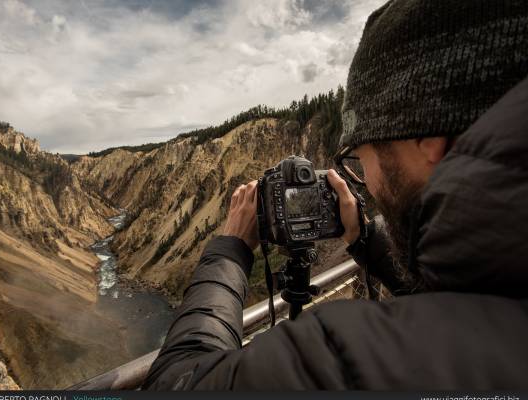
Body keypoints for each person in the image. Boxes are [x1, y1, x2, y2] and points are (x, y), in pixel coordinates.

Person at [143, 0, 528, 390]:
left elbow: (177, 382)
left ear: (427, 138)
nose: (368, 183)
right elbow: (463, 303)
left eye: (361, 157)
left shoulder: (352, 358)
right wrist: (366, 239)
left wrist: (230, 250)